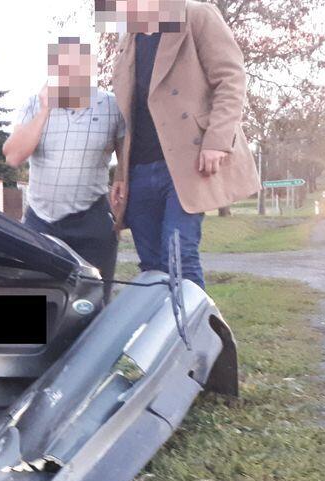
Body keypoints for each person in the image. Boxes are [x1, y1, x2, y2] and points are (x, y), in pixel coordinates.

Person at [105, 0, 260, 289]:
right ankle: (163, 319)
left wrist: (217, 140)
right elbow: (129, 111)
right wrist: (122, 174)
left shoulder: (196, 15)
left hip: (186, 162)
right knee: (151, 265)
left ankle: (193, 320)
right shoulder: (128, 39)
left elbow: (231, 79)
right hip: (139, 168)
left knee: (178, 256)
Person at [4, 37, 125, 286]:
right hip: (41, 222)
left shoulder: (112, 106)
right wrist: (45, 110)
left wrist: (121, 204)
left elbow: (126, 158)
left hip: (92, 222)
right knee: (39, 294)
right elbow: (13, 156)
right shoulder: (34, 105)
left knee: (93, 297)